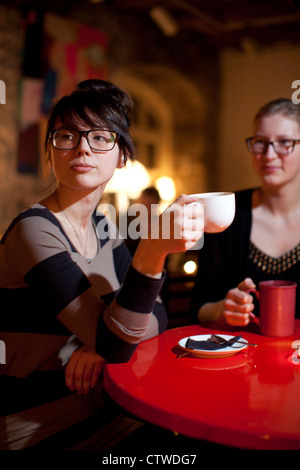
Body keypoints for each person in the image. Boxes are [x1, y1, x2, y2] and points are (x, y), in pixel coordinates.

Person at [0, 79, 203, 450]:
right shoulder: (34, 231)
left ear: (122, 156)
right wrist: (152, 253)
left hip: (113, 408)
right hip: (43, 427)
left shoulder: (103, 226)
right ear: (51, 149)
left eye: (100, 137)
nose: (81, 147)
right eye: (66, 136)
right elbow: (121, 338)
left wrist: (99, 343)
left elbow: (158, 315)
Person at [191, 98, 300, 327]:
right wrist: (223, 309)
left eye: (284, 142)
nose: (269, 155)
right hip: (240, 358)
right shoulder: (227, 213)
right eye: (260, 142)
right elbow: (199, 308)